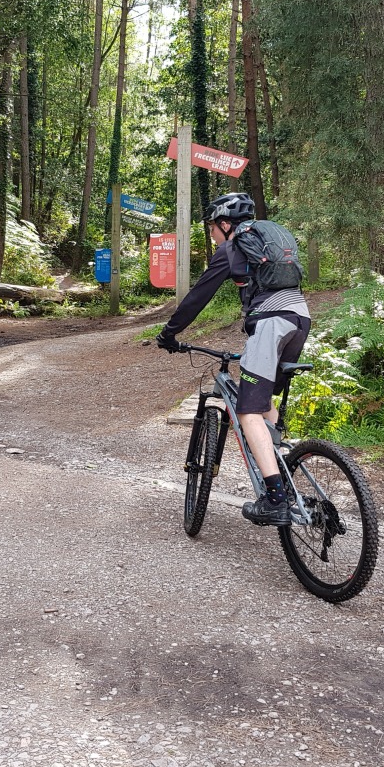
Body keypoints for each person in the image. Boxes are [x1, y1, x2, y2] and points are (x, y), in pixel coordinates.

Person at [156, 193, 310, 526]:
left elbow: (198, 296)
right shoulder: (267, 239)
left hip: (271, 322)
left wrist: (169, 333)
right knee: (264, 401)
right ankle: (283, 468)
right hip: (300, 318)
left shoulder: (230, 248)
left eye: (213, 227)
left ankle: (275, 499)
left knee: (248, 411)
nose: (212, 234)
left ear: (225, 224)